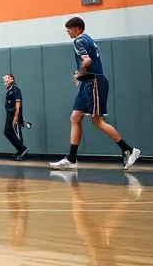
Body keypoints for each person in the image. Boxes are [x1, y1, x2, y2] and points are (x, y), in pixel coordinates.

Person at [50, 17, 141, 171]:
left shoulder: (79, 41)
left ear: (77, 28)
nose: (68, 32)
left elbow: (87, 61)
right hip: (87, 83)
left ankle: (129, 150)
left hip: (94, 82)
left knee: (97, 120)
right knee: (75, 118)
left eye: (69, 29)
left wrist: (79, 73)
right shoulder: (89, 40)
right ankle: (71, 159)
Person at [3, 74, 27, 159]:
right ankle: (19, 150)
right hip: (9, 114)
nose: (6, 79)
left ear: (12, 80)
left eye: (8, 78)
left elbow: (18, 104)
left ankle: (22, 149)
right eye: (5, 78)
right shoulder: (8, 90)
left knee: (16, 133)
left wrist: (16, 117)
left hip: (14, 114)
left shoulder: (15, 90)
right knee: (8, 132)